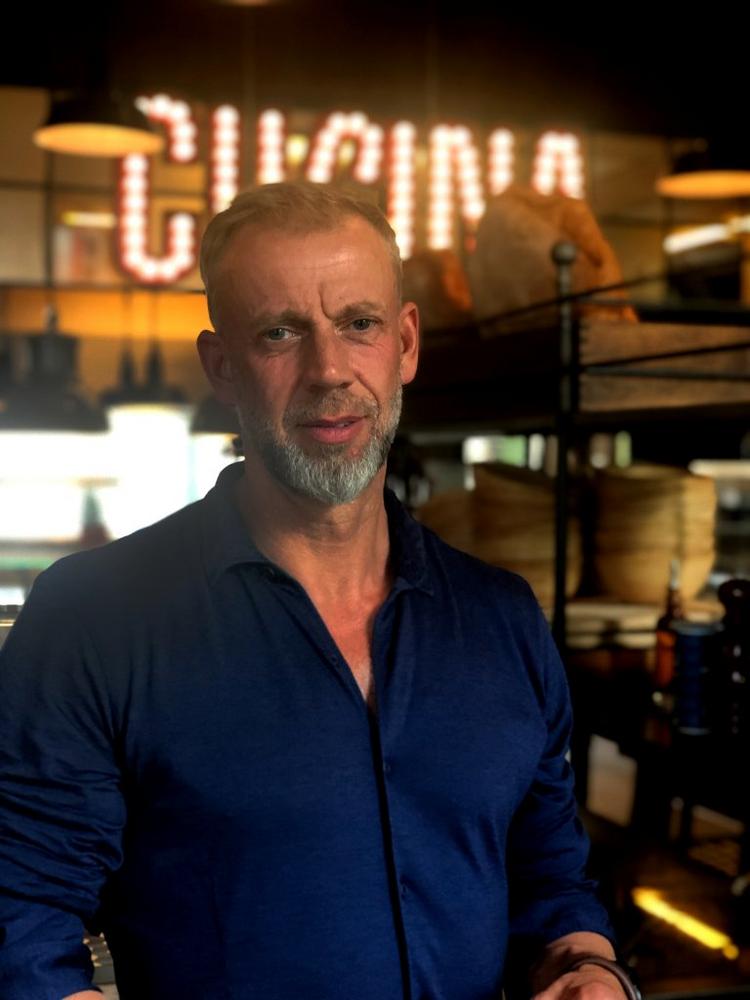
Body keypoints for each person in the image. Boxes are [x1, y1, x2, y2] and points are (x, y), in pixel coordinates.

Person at [0, 183, 636, 1000]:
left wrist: (588, 967)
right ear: (222, 366)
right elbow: (23, 915)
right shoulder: (93, 618)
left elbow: (549, 878)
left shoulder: (503, 617)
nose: (329, 369)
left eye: (359, 323)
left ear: (406, 343)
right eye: (280, 332)